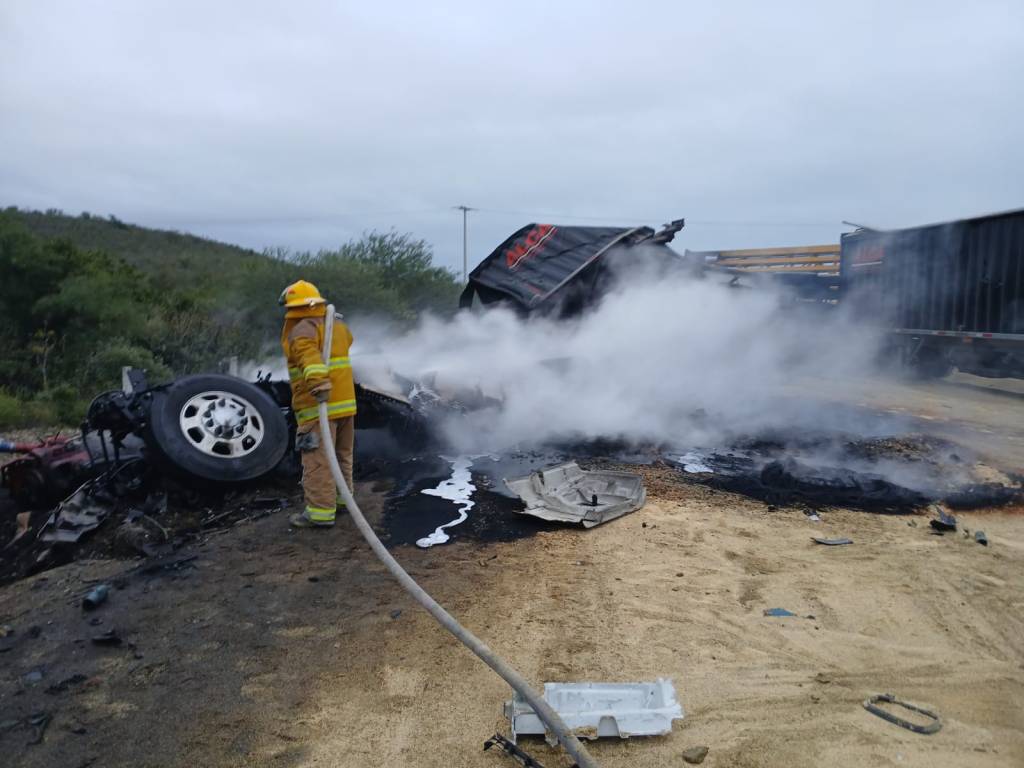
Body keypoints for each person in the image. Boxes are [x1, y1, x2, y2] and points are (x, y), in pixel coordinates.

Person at [278, 280, 356, 528]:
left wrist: (320, 386)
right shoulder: (337, 326)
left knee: (317, 460)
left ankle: (320, 512)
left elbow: (309, 359)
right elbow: (348, 343)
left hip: (317, 406)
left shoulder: (302, 329)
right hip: (345, 405)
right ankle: (343, 500)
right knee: (342, 454)